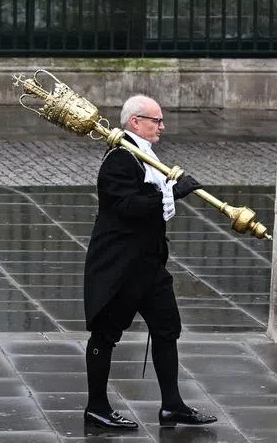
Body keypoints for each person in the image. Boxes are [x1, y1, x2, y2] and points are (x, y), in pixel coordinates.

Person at [82, 95, 217, 430]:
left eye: (160, 120)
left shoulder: (143, 153)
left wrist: (169, 189)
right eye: (156, 120)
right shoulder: (119, 159)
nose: (162, 126)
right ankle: (96, 407)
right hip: (121, 265)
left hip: (149, 264)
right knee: (106, 334)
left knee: (166, 328)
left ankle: (172, 405)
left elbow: (147, 201)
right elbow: (128, 207)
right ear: (134, 121)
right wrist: (172, 193)